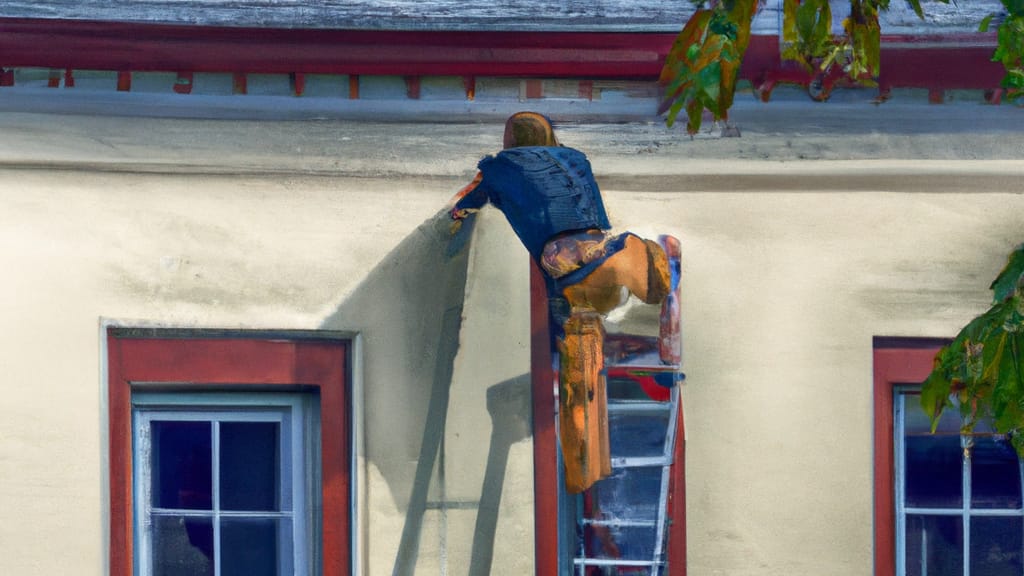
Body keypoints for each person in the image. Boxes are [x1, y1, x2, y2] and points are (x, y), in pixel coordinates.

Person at [449, 112, 671, 493]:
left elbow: (465, 203)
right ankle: (624, 259)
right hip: (598, 244)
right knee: (593, 288)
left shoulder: (499, 167)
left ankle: (584, 469)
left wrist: (454, 220)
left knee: (577, 324)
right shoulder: (576, 159)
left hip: (566, 266)